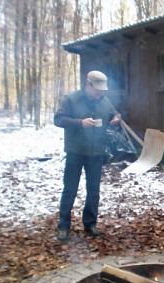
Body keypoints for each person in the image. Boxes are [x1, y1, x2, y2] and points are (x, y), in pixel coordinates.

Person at [54, 70, 121, 242]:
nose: (100, 93)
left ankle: (90, 224)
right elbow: (58, 119)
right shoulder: (72, 99)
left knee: (93, 191)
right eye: (97, 89)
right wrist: (79, 123)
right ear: (88, 84)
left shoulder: (105, 101)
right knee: (70, 189)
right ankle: (63, 226)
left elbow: (114, 115)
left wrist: (116, 119)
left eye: (102, 90)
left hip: (96, 153)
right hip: (75, 152)